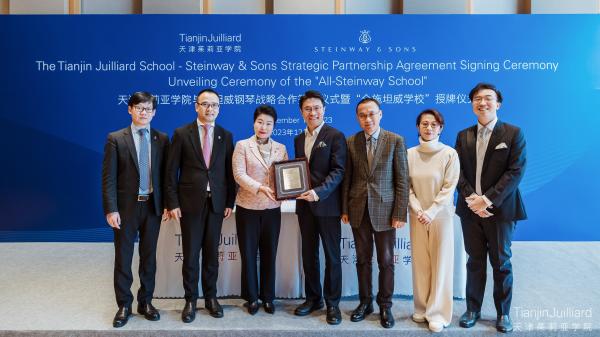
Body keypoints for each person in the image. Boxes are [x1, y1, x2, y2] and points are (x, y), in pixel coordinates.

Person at [455, 83, 527, 333]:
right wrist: (471, 199)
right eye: (477, 99)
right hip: (469, 210)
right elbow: (457, 172)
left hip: (501, 210)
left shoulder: (513, 133)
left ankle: (503, 313)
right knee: (474, 261)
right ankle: (472, 309)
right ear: (472, 104)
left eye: (488, 98)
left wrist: (486, 200)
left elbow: (515, 171)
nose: (482, 102)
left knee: (501, 262)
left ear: (498, 104)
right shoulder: (463, 135)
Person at [166, 88, 236, 323]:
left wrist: (229, 201)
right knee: (191, 254)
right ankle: (190, 300)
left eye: (214, 105)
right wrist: (172, 202)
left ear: (219, 108)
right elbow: (170, 171)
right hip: (189, 204)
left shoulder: (225, 136)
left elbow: (229, 173)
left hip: (216, 204)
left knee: (211, 255)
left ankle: (211, 297)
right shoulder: (182, 133)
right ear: (196, 106)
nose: (210, 109)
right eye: (205, 104)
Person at [102, 91, 169, 328]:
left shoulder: (162, 139)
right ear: (130, 109)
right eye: (139, 108)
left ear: (154, 112)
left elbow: (166, 177)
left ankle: (145, 301)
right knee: (123, 257)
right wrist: (111, 209)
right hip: (126, 208)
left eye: (148, 109)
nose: (144, 112)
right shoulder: (116, 138)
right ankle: (124, 304)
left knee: (149, 257)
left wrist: (168, 205)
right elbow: (109, 178)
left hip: (153, 206)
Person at [341, 97, 409, 329]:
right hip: (358, 209)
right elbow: (347, 179)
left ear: (380, 114)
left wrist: (400, 212)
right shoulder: (351, 142)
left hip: (386, 211)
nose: (367, 119)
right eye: (362, 115)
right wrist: (344, 209)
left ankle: (385, 305)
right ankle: (365, 302)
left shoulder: (395, 141)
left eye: (371, 114)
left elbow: (402, 180)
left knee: (386, 261)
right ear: (357, 118)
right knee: (362, 260)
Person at [293, 90, 347, 325]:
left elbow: (339, 171)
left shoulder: (335, 135)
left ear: (324, 109)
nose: (312, 112)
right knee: (309, 254)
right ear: (301, 112)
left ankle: (332, 304)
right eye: (307, 109)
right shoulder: (298, 138)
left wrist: (318, 192)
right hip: (304, 207)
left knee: (332, 257)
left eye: (316, 108)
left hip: (327, 206)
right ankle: (313, 298)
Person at [232, 105, 288, 315]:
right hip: (247, 208)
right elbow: (238, 174)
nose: (263, 127)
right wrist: (259, 188)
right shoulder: (242, 146)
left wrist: (288, 190)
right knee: (248, 254)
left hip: (272, 209)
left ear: (274, 126)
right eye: (260, 122)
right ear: (254, 123)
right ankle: (252, 298)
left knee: (269, 254)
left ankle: (268, 297)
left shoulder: (280, 148)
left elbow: (285, 177)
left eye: (268, 123)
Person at [407, 109, 460, 333]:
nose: (429, 128)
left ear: (441, 128)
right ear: (418, 127)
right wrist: (419, 209)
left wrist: (432, 211)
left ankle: (437, 313)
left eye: (434, 124)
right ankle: (421, 307)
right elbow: (405, 186)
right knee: (420, 262)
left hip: (441, 216)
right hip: (417, 214)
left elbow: (450, 186)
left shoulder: (450, 154)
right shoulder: (408, 154)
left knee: (441, 263)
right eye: (425, 124)